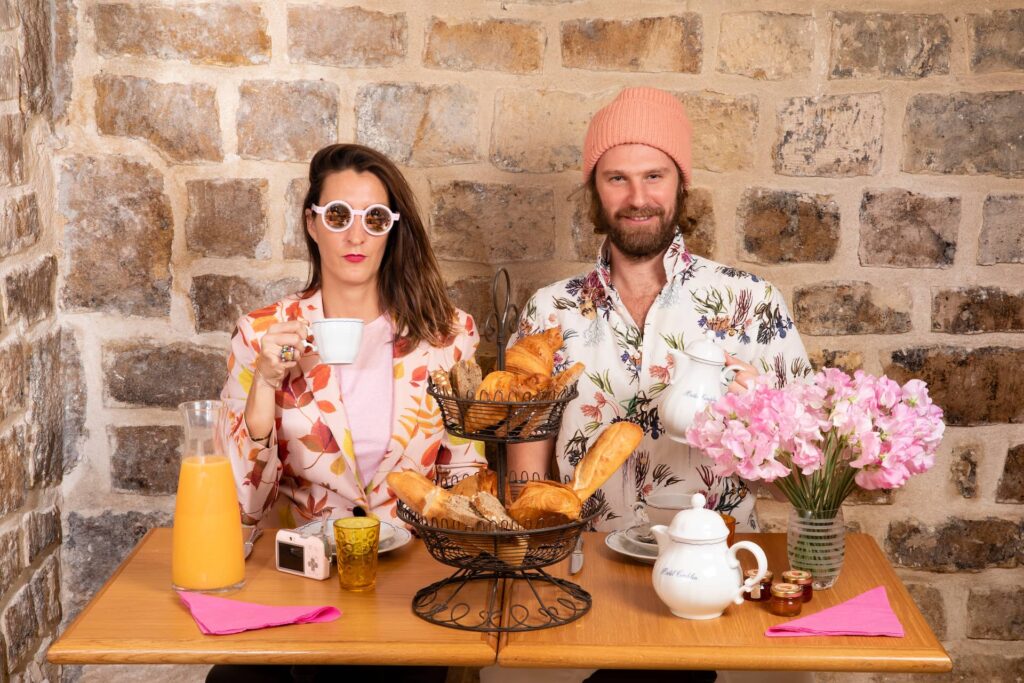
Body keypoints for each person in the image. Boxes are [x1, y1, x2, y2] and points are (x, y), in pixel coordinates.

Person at [489, 89, 814, 683]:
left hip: (715, 581)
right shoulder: (550, 310)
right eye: (617, 178)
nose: (638, 198)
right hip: (588, 575)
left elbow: (808, 463)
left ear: (680, 184)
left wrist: (757, 420)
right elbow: (526, 468)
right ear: (595, 189)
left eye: (654, 176)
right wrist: (538, 558)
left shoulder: (751, 303)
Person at [212, 143, 483, 683]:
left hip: (412, 585)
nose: (356, 236)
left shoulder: (448, 338)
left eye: (374, 218)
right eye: (338, 216)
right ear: (312, 224)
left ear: (392, 229)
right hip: (306, 583)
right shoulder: (262, 333)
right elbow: (237, 511)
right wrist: (265, 381)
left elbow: (465, 485)